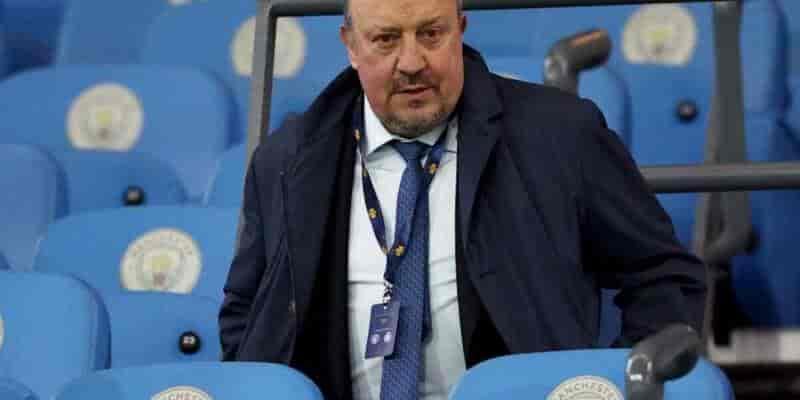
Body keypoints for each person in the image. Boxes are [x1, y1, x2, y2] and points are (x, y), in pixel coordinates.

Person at [218, 0, 707, 398]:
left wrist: (610, 384)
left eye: (431, 34)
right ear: (350, 45)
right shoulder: (286, 161)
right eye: (386, 39)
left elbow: (663, 275)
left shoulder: (561, 136)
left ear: (461, 29)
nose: (412, 62)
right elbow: (246, 313)